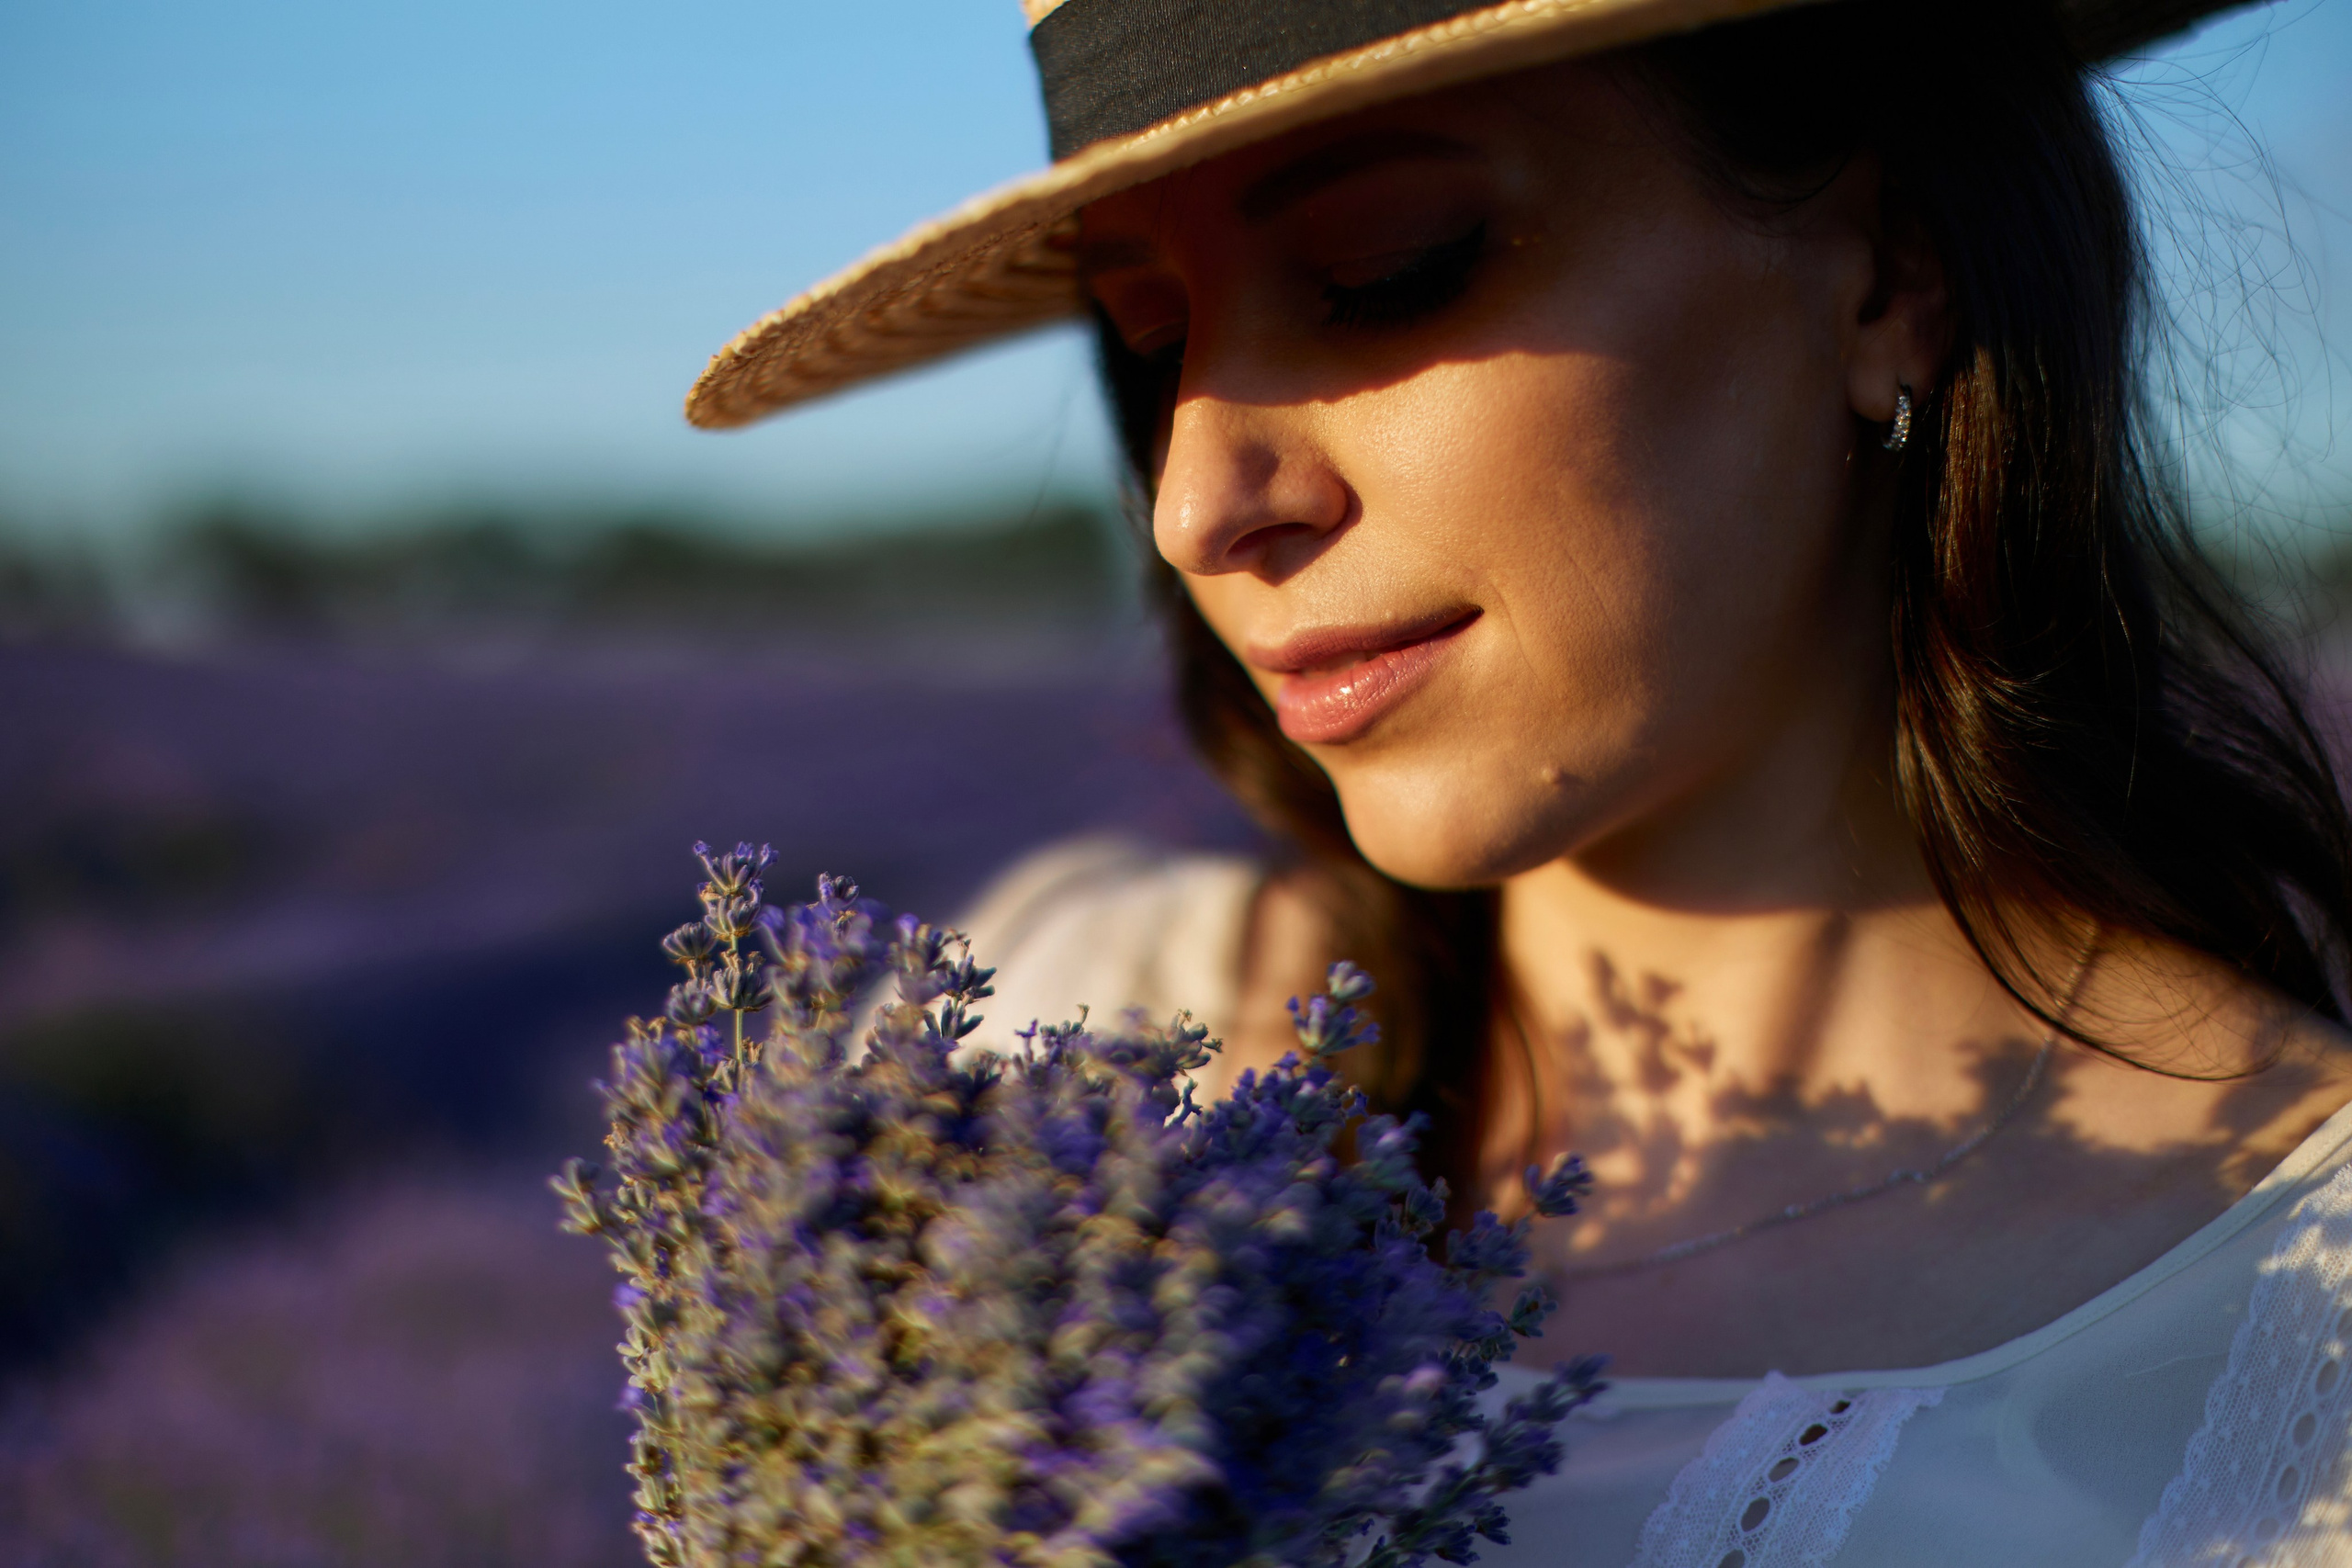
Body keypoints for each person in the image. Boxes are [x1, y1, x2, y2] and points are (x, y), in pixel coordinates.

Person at [684, 0, 2352, 1560]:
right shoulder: (1054, 1052)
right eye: (1152, 336)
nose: (1202, 497)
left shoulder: (2297, 1344)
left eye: (1385, 271)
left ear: (1887, 278)